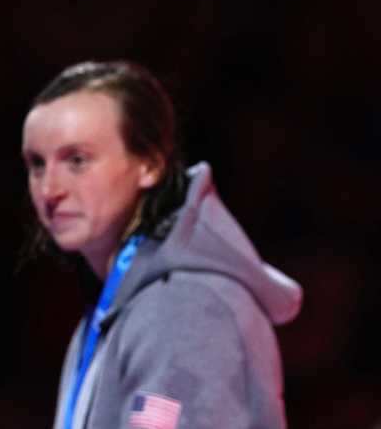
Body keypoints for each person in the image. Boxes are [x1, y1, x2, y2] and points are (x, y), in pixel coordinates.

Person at [21, 61, 302, 429]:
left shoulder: (185, 307)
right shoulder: (120, 310)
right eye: (37, 164)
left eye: (77, 160)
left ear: (150, 164)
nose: (49, 190)